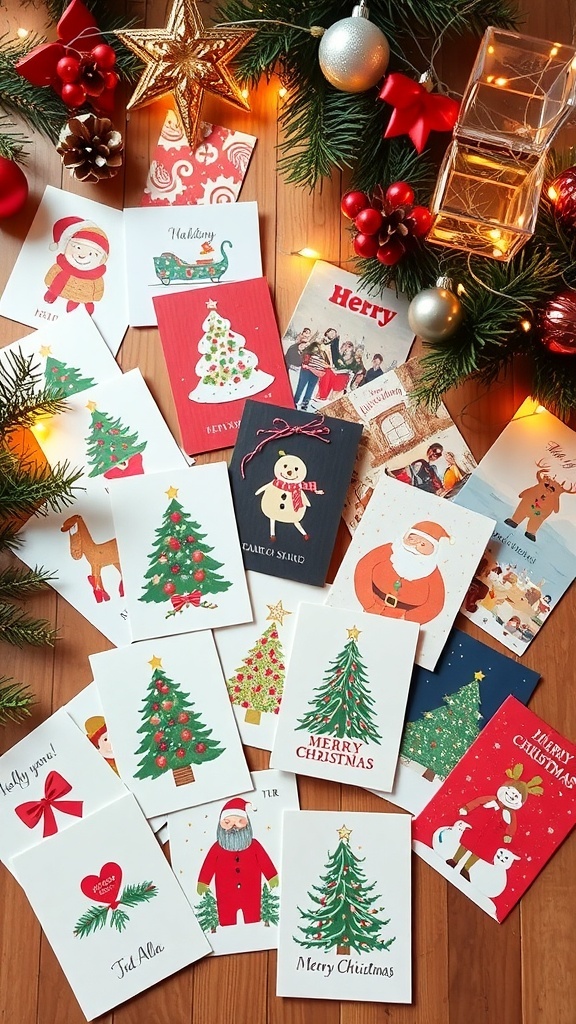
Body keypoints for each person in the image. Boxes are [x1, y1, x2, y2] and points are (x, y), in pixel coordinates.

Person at [196, 797, 279, 926]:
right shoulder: (217, 848)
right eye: (227, 822)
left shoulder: (254, 845)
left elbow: (265, 861)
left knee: (253, 917)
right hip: (226, 892)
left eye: (240, 821)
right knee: (226, 918)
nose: (234, 826)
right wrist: (203, 882)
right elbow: (208, 865)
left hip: (250, 891)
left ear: (247, 823)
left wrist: (272, 876)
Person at [354, 520, 449, 624]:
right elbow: (363, 569)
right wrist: (369, 604)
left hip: (401, 619)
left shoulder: (430, 570)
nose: (415, 546)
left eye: (423, 544)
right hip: (372, 607)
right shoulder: (388, 550)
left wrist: (407, 618)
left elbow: (435, 603)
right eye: (412, 539)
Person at [44, 216, 109, 314]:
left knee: (80, 299)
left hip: (83, 296)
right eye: (78, 247)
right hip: (60, 291)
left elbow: (98, 289)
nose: (82, 255)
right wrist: (49, 282)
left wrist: (96, 297)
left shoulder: (95, 277)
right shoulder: (61, 265)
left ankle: (76, 303)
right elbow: (52, 275)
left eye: (92, 253)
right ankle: (53, 293)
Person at [293, 340, 328, 410]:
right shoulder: (310, 352)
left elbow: (326, 364)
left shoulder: (323, 353)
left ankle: (302, 403)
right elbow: (304, 359)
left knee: (308, 388)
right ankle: (296, 402)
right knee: (303, 386)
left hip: (314, 372)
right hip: (308, 370)